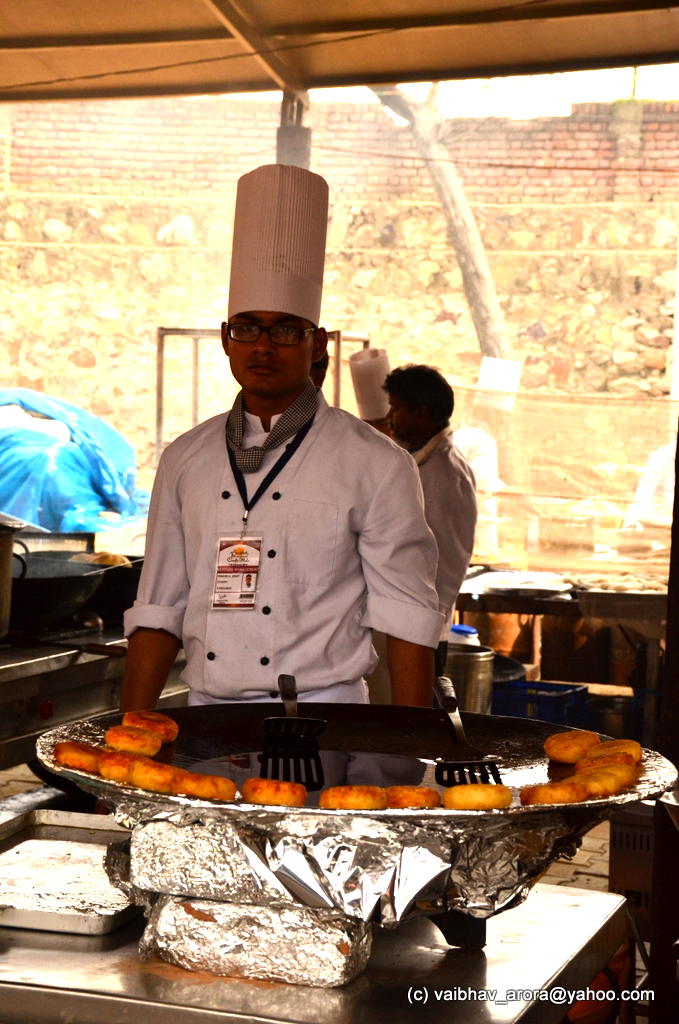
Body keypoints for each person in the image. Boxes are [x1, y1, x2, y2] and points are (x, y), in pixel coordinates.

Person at [121, 164, 443, 712]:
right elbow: (159, 605)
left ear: (318, 343)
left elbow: (406, 612)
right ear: (226, 339)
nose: (264, 346)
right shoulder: (186, 458)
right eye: (247, 328)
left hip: (327, 717)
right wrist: (129, 735)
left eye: (286, 330)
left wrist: (410, 744)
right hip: (208, 716)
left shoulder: (376, 463)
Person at [384, 365, 478, 675]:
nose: (389, 417)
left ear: (421, 413)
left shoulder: (444, 476)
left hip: (422, 628)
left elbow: (438, 564)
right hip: (411, 621)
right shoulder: (422, 461)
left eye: (396, 408)